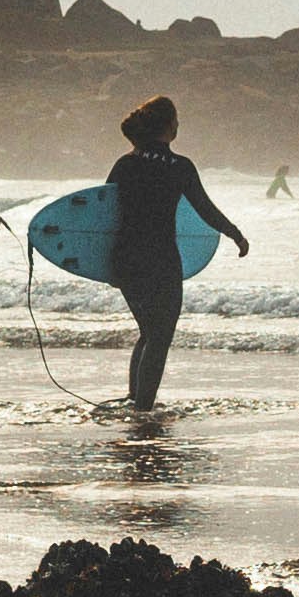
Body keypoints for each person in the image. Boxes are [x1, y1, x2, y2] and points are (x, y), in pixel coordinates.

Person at [103, 93, 247, 414]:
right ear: (168, 126)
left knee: (148, 331)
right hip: (161, 260)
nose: (179, 124)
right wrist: (235, 234)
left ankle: (135, 399)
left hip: (126, 259)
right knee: (160, 335)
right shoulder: (180, 167)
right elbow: (205, 210)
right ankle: (143, 411)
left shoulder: (126, 163)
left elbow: (102, 214)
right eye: (177, 120)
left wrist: (106, 263)